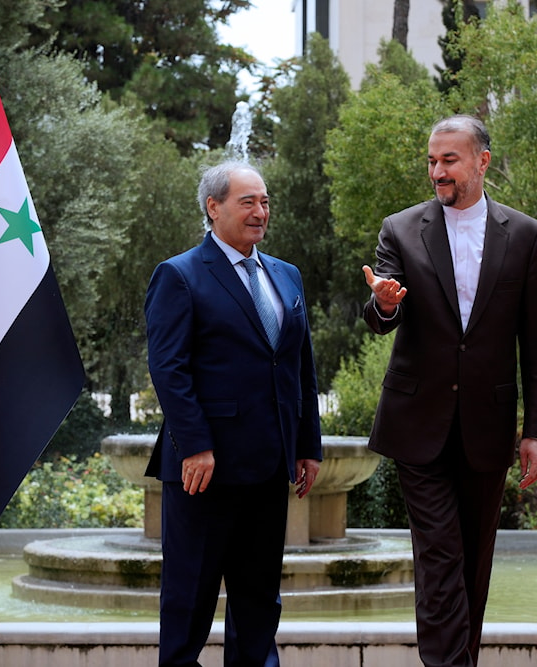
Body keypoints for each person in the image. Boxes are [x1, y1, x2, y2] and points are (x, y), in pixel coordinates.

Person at [361, 115, 537, 667]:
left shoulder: (526, 235)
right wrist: (386, 303)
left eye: (449, 160)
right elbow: (379, 314)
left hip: (488, 427)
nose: (437, 171)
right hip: (416, 423)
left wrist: (535, 432)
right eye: (431, 161)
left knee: (473, 560)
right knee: (440, 554)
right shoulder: (400, 229)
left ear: (481, 162)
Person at [145, 160, 323, 667]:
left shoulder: (286, 275)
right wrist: (195, 444)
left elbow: (299, 368)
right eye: (248, 201)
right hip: (205, 471)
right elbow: (169, 369)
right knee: (189, 604)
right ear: (213, 207)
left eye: (265, 201)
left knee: (259, 604)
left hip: (270, 469)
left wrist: (308, 445)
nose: (260, 211)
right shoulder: (178, 275)